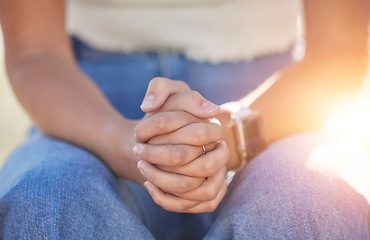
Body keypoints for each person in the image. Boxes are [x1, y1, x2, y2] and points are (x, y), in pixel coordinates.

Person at [0, 0, 369, 239]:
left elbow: (340, 45)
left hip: (278, 107)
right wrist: (123, 141)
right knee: (46, 200)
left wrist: (233, 135)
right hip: (86, 105)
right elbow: (34, 50)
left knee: (316, 201)